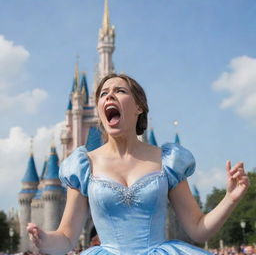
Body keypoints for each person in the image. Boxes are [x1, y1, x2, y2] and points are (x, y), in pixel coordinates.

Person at [27, 73, 250, 255]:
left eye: (120, 90)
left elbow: (198, 230)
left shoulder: (167, 161)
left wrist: (230, 198)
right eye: (103, 93)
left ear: (139, 107)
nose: (109, 96)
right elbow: (66, 238)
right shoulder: (83, 165)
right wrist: (44, 239)